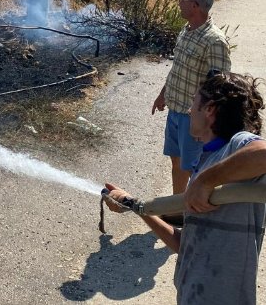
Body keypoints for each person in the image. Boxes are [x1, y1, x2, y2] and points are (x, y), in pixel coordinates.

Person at [106, 72, 266, 304]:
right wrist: (133, 204)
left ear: (209, 109)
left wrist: (205, 181)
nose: (190, 111)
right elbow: (185, 245)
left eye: (194, 102)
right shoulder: (207, 161)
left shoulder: (236, 145)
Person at [152, 0, 231, 195]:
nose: (179, 4)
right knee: (177, 162)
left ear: (195, 6)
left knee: (195, 167)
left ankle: (196, 212)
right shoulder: (186, 31)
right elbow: (177, 69)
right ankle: (178, 209)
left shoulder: (214, 40)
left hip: (193, 117)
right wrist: (162, 95)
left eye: (183, 1)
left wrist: (203, 116)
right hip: (175, 110)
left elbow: (220, 84)